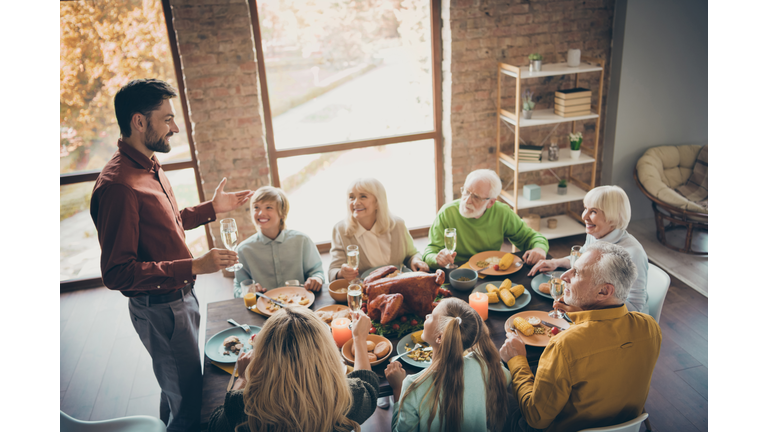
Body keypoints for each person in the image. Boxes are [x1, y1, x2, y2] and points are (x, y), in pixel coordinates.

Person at [90, 79, 253, 432]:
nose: (175, 128)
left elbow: (167, 226)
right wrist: (194, 265)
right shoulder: (119, 186)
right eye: (167, 119)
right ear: (138, 122)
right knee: (189, 404)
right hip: (161, 309)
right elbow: (117, 273)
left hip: (180, 298)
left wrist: (212, 208)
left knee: (177, 387)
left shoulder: (149, 165)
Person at [501, 242, 662, 432]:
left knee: (497, 393)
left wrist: (516, 359)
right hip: (627, 423)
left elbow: (536, 418)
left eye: (576, 273)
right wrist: (580, 313)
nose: (564, 276)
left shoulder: (565, 346)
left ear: (604, 291)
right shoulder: (650, 327)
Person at [207, 307, 379, 432]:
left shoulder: (246, 409)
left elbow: (216, 426)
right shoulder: (346, 399)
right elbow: (369, 388)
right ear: (328, 355)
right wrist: (358, 338)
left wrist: (242, 380)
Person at [385, 298, 510, 432]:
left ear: (440, 337)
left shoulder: (413, 386)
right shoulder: (483, 366)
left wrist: (398, 389)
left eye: (432, 316)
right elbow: (505, 376)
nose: (427, 316)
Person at [528, 185, 649, 313]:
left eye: (593, 211)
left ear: (613, 216)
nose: (584, 216)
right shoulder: (595, 235)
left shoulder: (634, 253)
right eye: (585, 208)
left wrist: (585, 310)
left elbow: (636, 307)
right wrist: (556, 262)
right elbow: (582, 260)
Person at [422, 169, 549, 269]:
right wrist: (437, 259)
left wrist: (539, 248)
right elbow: (429, 252)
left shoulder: (502, 212)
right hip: (457, 274)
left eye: (476, 197)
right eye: (466, 192)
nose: (467, 200)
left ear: (491, 203)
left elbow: (532, 237)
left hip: (491, 272)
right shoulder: (447, 212)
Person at [329, 177, 429, 281]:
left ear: (378, 202)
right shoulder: (340, 230)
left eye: (363, 196)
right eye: (351, 197)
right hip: (366, 292)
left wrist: (416, 260)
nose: (355, 202)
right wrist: (342, 273)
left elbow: (412, 254)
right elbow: (333, 271)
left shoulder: (397, 225)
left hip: (399, 287)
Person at [233, 186, 324, 296]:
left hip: (301, 304)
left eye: (268, 207)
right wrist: (247, 291)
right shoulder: (243, 250)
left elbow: (317, 272)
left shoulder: (302, 241)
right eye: (256, 207)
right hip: (262, 309)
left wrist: (316, 279)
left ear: (282, 213)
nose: (261, 213)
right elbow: (238, 288)